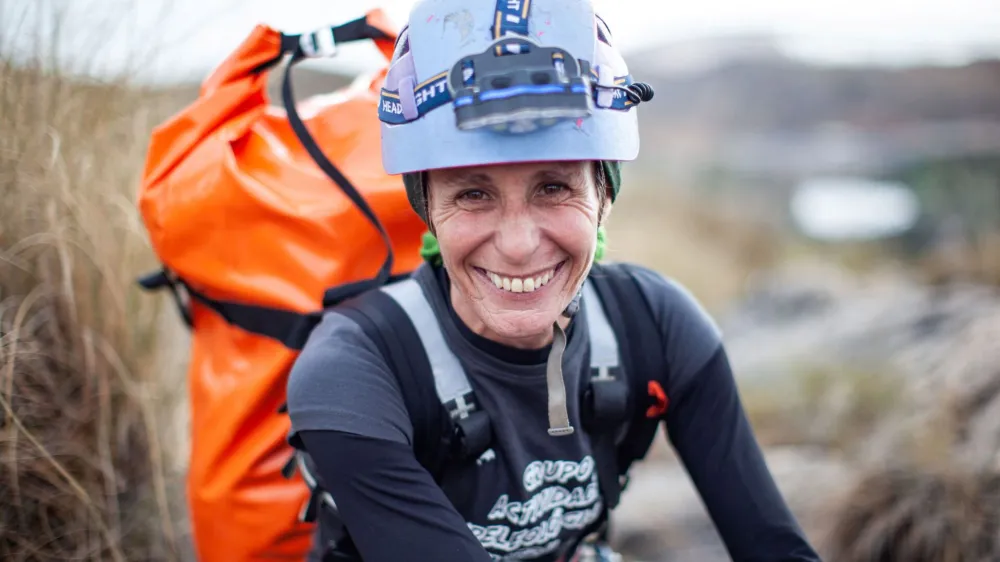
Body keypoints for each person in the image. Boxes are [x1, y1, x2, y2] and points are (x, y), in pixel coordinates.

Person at [285, 0, 822, 560]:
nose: (518, 246)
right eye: (473, 194)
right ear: (427, 209)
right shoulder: (354, 373)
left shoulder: (656, 327)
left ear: (604, 195)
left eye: (554, 188)